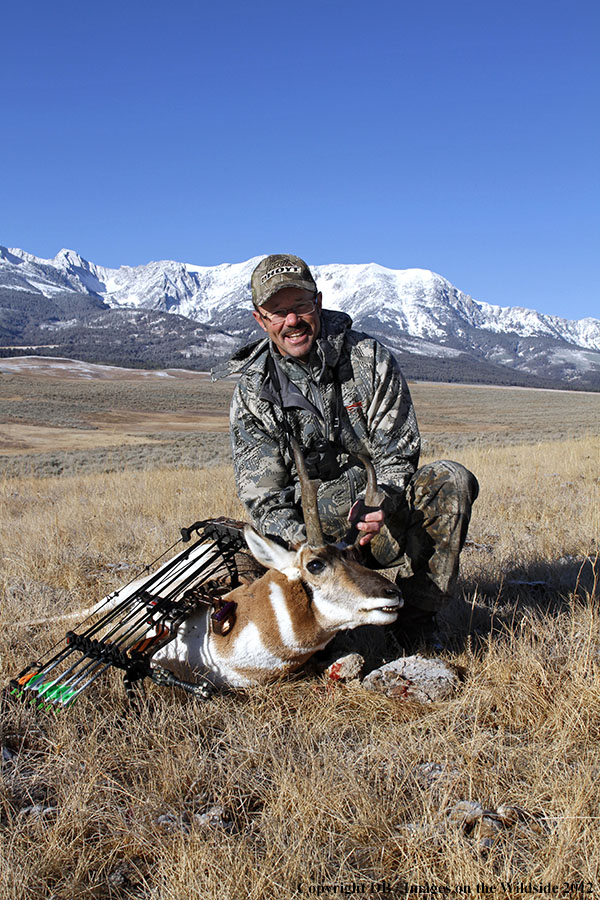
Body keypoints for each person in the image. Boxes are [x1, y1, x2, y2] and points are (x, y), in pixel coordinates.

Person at [216, 253, 479, 647]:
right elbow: (264, 497)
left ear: (318, 303)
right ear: (260, 319)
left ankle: (418, 619)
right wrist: (307, 549)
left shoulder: (369, 359)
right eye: (278, 311)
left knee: (449, 480)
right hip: (309, 547)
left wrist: (382, 501)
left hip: (375, 529)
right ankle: (328, 623)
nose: (292, 321)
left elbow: (398, 451)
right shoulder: (255, 393)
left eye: (301, 306)